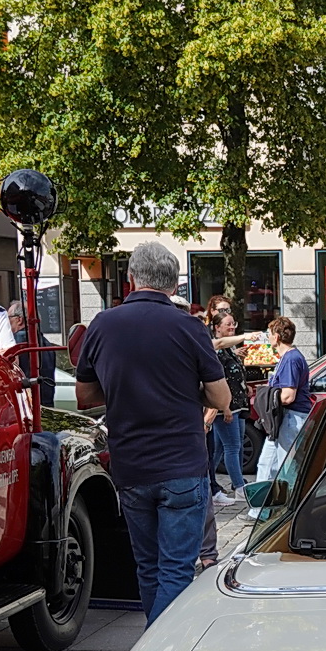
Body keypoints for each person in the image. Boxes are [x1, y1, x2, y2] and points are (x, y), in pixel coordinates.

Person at [75, 240, 230, 623]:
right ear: (174, 286)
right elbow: (221, 395)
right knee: (177, 570)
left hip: (131, 467)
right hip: (181, 466)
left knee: (147, 568)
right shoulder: (188, 326)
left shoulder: (102, 325)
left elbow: (84, 396)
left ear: (130, 280)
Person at [255, 316, 311, 478]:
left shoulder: (291, 359)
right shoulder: (287, 358)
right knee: (266, 465)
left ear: (277, 337)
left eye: (269, 333)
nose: (268, 337)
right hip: (283, 419)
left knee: (286, 467)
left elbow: (288, 396)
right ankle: (261, 501)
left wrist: (265, 397)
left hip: (291, 418)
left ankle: (286, 501)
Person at [209, 310, 249, 502]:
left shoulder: (229, 349)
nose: (232, 327)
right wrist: (224, 407)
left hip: (236, 404)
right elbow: (218, 379)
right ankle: (239, 487)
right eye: (228, 324)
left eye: (234, 324)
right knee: (232, 447)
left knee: (219, 449)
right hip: (227, 407)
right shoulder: (217, 349)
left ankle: (209, 483)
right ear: (217, 328)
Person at [7, 299, 57, 407]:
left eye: (8, 318)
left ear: (19, 319)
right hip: (46, 404)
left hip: (24, 406)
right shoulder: (47, 344)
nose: (5, 322)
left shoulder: (13, 344)